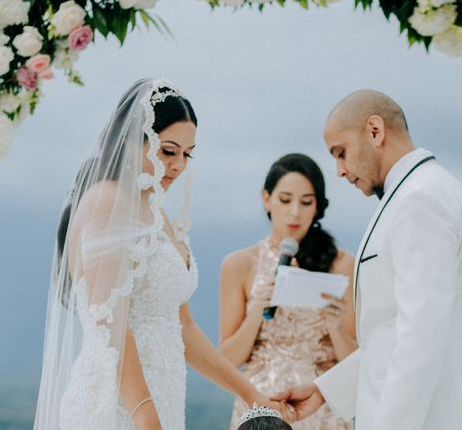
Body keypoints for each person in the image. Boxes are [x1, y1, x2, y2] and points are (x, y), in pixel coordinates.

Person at [34, 79, 285, 430]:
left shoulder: (158, 215)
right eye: (168, 151)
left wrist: (252, 395)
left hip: (162, 399)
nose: (179, 165)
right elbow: (112, 324)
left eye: (187, 154)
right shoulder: (106, 203)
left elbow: (184, 327)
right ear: (132, 141)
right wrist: (145, 416)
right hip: (117, 405)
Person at [274, 90, 462, 430]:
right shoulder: (419, 192)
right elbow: (391, 335)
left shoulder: (420, 199)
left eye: (341, 153)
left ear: (375, 130)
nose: (340, 171)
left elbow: (421, 334)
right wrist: (325, 390)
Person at [220, 153, 356, 429]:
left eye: (306, 202)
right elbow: (228, 360)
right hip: (261, 407)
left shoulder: (343, 264)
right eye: (285, 200)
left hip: (322, 409)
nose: (295, 212)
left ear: (317, 207)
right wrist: (258, 309)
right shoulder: (240, 264)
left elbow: (356, 362)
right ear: (266, 199)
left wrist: (334, 324)